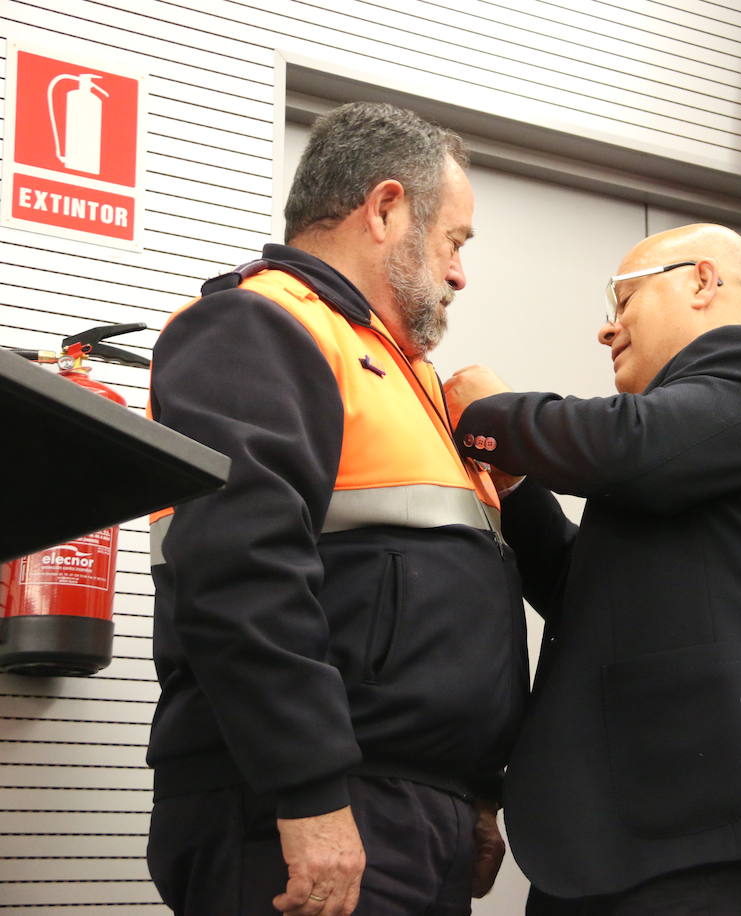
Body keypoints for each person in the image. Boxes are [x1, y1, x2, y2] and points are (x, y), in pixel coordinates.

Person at [144, 102, 526, 916]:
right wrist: (309, 794)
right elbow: (241, 572)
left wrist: (475, 794)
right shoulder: (259, 325)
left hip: (412, 813)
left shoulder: (410, 378)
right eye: (455, 241)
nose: (461, 273)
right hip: (305, 806)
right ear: (386, 208)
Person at [444, 223, 741, 914]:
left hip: (726, 839)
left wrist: (490, 414)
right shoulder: (691, 447)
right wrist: (518, 492)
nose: (607, 328)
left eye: (623, 300)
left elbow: (630, 444)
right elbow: (585, 594)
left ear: (703, 281)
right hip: (637, 838)